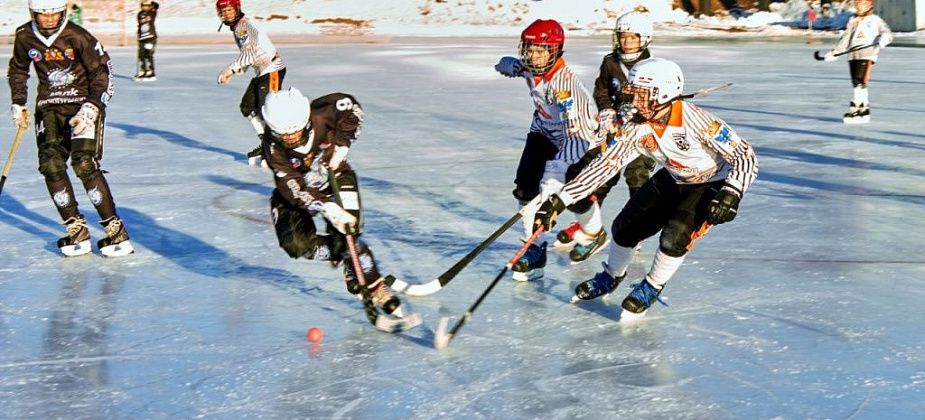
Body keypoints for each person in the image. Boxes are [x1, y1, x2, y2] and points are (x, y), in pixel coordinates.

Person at [532, 58, 758, 320]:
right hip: (673, 177)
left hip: (711, 183)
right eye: (632, 93)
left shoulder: (696, 120)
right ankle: (611, 276)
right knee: (624, 228)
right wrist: (560, 200)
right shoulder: (635, 126)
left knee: (674, 237)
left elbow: (745, 155)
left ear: (662, 94)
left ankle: (651, 286)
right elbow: (605, 165)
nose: (632, 101)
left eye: (640, 94)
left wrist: (731, 192)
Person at [259, 88, 406, 317]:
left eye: (295, 131)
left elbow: (353, 110)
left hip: (336, 175)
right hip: (298, 194)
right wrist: (326, 207)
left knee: (350, 228)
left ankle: (372, 282)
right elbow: (293, 188)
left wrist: (341, 145)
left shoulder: (324, 111)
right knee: (296, 245)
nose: (290, 138)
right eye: (282, 134)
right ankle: (349, 254)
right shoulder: (272, 147)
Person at [8, 0, 133, 257]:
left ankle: (115, 230)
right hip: (49, 108)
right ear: (34, 14)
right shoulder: (24, 36)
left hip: (82, 107)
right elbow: (18, 69)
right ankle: (76, 229)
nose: (50, 20)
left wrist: (93, 106)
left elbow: (103, 73)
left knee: (83, 163)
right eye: (43, 16)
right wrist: (18, 103)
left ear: (63, 11)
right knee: (51, 164)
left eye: (54, 14)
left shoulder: (78, 36)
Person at [493, 19, 606, 281]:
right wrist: (507, 65)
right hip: (543, 132)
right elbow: (517, 66)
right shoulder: (533, 66)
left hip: (581, 141)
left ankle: (594, 232)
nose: (532, 56)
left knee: (573, 197)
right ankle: (535, 250)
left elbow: (578, 137)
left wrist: (555, 173)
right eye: (528, 49)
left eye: (539, 50)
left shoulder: (564, 86)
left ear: (554, 51)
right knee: (525, 188)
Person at [555, 11, 659, 258]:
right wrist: (607, 112)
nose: (626, 42)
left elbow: (658, 101)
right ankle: (590, 225)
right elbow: (601, 90)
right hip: (613, 131)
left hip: (643, 135)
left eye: (632, 37)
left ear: (644, 39)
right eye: (622, 37)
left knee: (637, 177)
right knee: (600, 178)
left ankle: (638, 229)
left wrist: (638, 113)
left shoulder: (652, 68)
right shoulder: (610, 62)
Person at [215, 0, 286, 167]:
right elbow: (251, 53)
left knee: (268, 111)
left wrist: (230, 70)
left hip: (272, 69)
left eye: (230, 10)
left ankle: (277, 149)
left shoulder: (243, 27)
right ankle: (266, 144)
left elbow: (249, 54)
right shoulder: (239, 27)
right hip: (263, 71)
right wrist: (242, 69)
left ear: (237, 9)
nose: (227, 14)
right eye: (223, 11)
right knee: (247, 106)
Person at [821, 0, 892, 124]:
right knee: (855, 81)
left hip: (867, 52)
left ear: (869, 6)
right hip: (853, 54)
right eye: (858, 5)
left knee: (860, 80)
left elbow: (887, 32)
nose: (859, 8)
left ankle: (862, 108)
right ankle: (858, 107)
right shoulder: (853, 20)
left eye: (863, 5)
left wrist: (884, 39)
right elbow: (846, 38)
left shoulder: (875, 19)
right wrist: (835, 52)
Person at [134, 0, 159, 82]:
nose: (144, 7)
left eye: (146, 5)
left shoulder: (152, 12)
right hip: (142, 38)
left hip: (150, 37)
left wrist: (151, 4)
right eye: (143, 5)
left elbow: (156, 5)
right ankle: (142, 71)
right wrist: (138, 35)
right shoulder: (139, 14)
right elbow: (140, 25)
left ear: (149, 6)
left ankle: (150, 72)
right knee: (141, 55)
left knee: (148, 54)